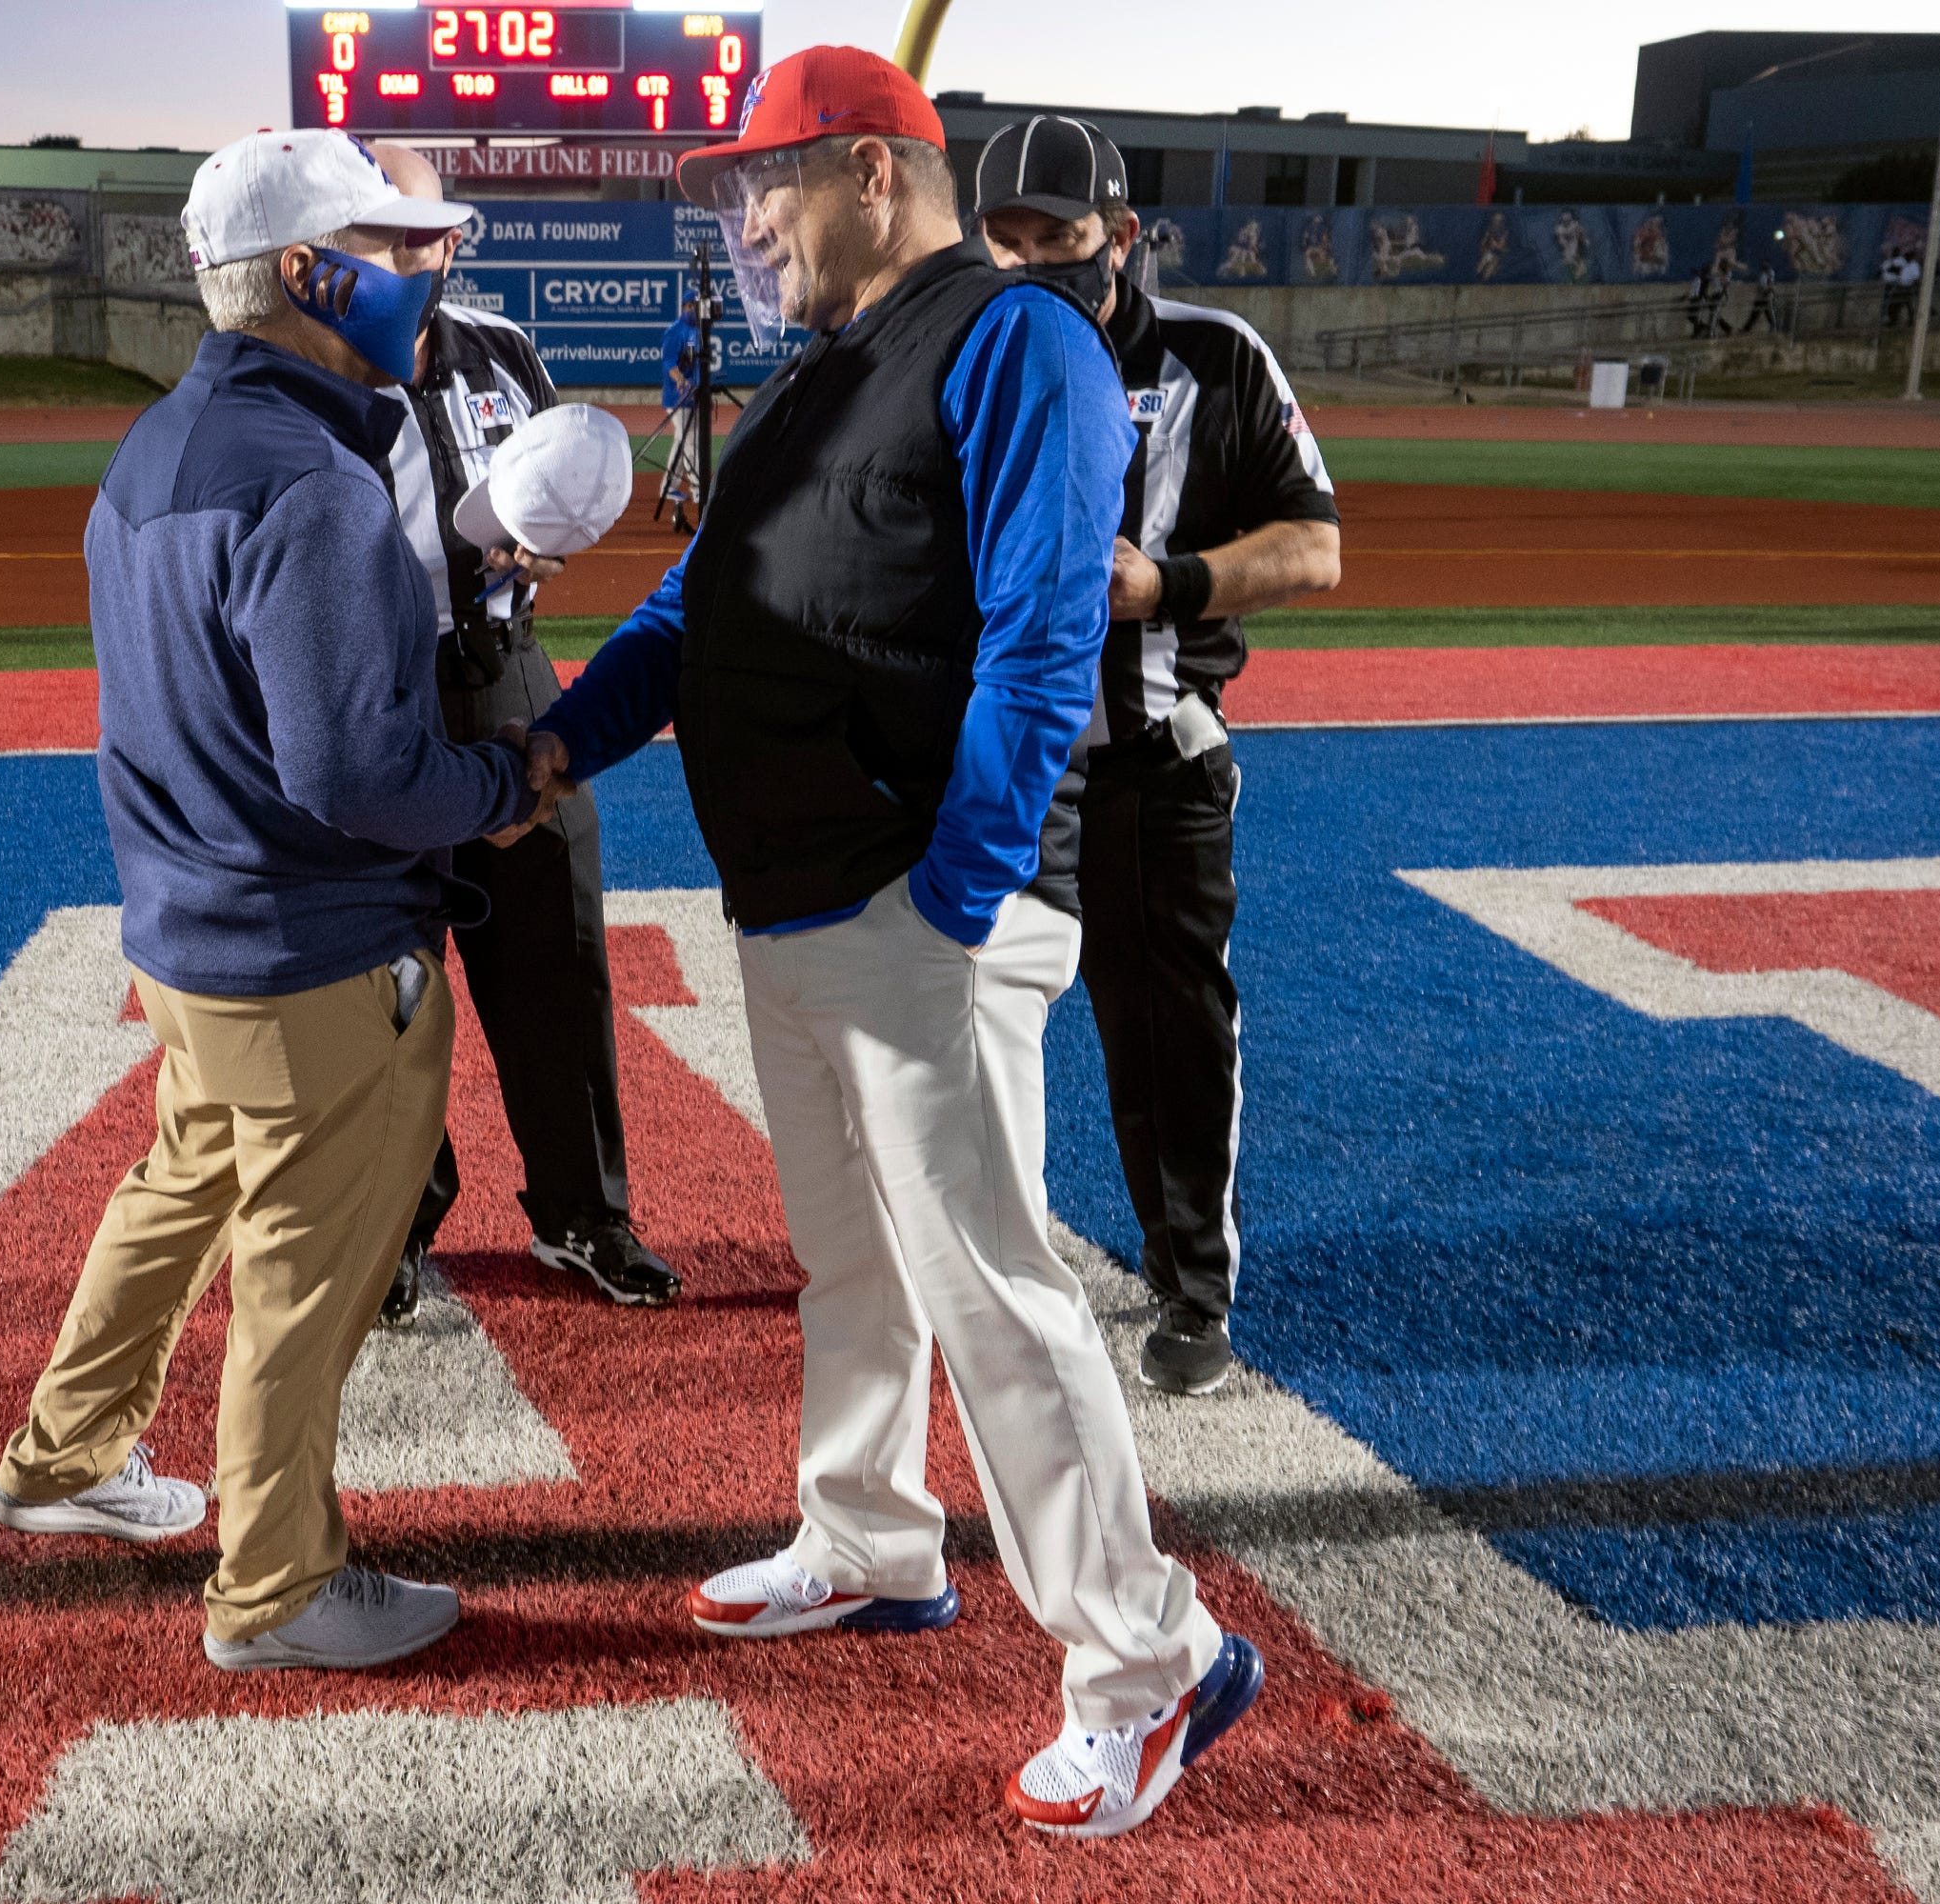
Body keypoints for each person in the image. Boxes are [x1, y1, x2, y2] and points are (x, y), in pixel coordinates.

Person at [522, 46, 1263, 1839]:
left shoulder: (1020, 342)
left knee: (993, 1287)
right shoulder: (811, 383)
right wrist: (551, 742)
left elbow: (1037, 628)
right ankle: (870, 1534)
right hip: (795, 901)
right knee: (851, 1259)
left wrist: (960, 888)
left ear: (870, 171)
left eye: (755, 185)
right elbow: (695, 613)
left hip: (916, 906)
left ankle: (1150, 1659)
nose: (737, 223)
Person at [0, 129, 557, 1674]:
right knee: (307, 1270)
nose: (429, 270)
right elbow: (354, 772)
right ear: (310, 273)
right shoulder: (317, 480)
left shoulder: (156, 446)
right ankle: (276, 1585)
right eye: (398, 246)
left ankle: (64, 1451)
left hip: (186, 931)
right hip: (313, 949)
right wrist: (504, 788)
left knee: (178, 1187)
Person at [974, 114, 1340, 1399]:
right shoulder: (955, 350)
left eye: (1057, 238)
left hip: (1150, 759)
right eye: (1003, 238)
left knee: (1163, 1027)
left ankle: (1192, 1280)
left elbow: (1314, 545)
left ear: (1120, 238)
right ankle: (949, 1262)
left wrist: (1171, 583)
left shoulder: (1212, 356)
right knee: (957, 1019)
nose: (1027, 263)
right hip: (992, 757)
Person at [330, 143, 677, 1327]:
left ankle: (583, 1213)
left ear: (453, 238)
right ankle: (395, 1225)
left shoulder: (503, 350)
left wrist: (541, 551)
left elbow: (551, 495)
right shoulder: (311, 368)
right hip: (377, 691)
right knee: (385, 975)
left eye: (421, 233)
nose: (404, 257)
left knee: (556, 955)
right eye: (375, 236)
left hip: (506, 672)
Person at [655, 294, 706, 532]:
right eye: (690, 306)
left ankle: (670, 486)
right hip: (677, 398)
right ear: (684, 307)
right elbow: (668, 362)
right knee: (691, 443)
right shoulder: (676, 331)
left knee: (681, 441)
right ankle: (698, 489)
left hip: (694, 397)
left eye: (695, 306)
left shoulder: (698, 330)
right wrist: (680, 380)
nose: (693, 310)